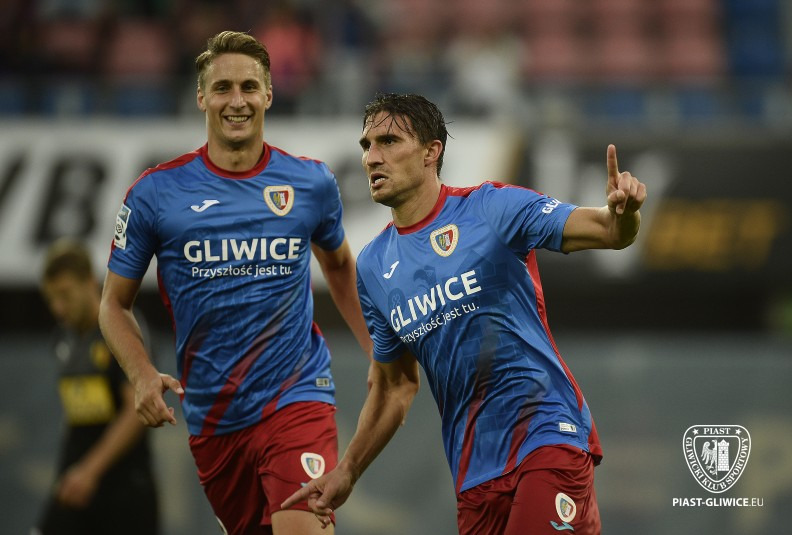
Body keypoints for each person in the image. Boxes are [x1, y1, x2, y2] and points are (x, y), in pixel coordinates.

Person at [283, 93, 647, 534]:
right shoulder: (374, 266)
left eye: (389, 142)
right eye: (366, 146)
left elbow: (609, 231)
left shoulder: (492, 208)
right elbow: (395, 386)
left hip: (547, 433)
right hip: (474, 471)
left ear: (431, 152)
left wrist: (623, 214)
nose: (372, 158)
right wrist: (348, 470)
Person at [98, 31, 372, 535]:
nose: (237, 100)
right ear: (201, 97)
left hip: (297, 395)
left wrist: (378, 353)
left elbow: (338, 266)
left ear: (269, 94)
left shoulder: (310, 183)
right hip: (213, 416)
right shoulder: (155, 194)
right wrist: (141, 374)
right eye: (223, 88)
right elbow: (113, 305)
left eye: (249, 87)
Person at [34, 238, 159, 535]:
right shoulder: (63, 339)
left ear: (89, 281)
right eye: (51, 298)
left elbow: (135, 411)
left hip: (124, 487)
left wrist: (90, 470)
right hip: (76, 481)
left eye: (65, 295)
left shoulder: (121, 329)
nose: (58, 307)